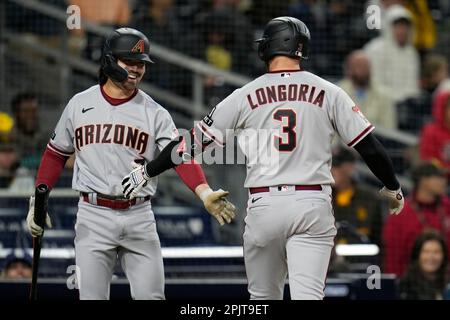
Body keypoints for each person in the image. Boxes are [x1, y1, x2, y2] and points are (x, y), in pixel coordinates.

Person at [121, 17, 404, 300]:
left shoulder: (244, 94)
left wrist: (148, 170)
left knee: (262, 300)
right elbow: (369, 147)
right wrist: (392, 186)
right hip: (312, 203)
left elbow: (187, 147)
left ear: (269, 47)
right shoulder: (329, 92)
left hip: (264, 204)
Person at [25, 28, 236, 300]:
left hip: (139, 216)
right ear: (111, 61)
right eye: (131, 62)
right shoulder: (80, 104)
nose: (137, 69)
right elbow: (55, 154)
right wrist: (38, 198)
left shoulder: (154, 111)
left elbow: (179, 154)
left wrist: (204, 191)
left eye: (141, 64)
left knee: (152, 297)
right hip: (93, 214)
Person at [383, 162, 450, 276]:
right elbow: (393, 255)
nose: (444, 182)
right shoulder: (400, 213)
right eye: (439, 178)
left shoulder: (447, 207)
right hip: (412, 281)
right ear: (423, 181)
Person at [364, 4, 420, 103]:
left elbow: (413, 85)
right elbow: (373, 83)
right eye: (398, 27)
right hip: (380, 102)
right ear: (389, 27)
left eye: (405, 27)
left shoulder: (412, 52)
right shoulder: (375, 49)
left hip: (407, 104)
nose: (402, 31)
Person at [331, 147, 384, 247]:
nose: (331, 170)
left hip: (360, 258)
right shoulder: (321, 197)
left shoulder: (369, 199)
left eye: (336, 166)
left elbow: (377, 238)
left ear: (350, 168)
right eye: (328, 165)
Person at [338, 50, 396, 130]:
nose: (362, 70)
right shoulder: (339, 93)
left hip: (376, 140)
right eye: (358, 66)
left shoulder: (384, 95)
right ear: (349, 70)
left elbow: (389, 129)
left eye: (365, 66)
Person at [399, 231, 449, 300]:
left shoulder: (447, 285)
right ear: (417, 255)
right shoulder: (405, 287)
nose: (431, 257)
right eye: (426, 251)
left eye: (436, 252)